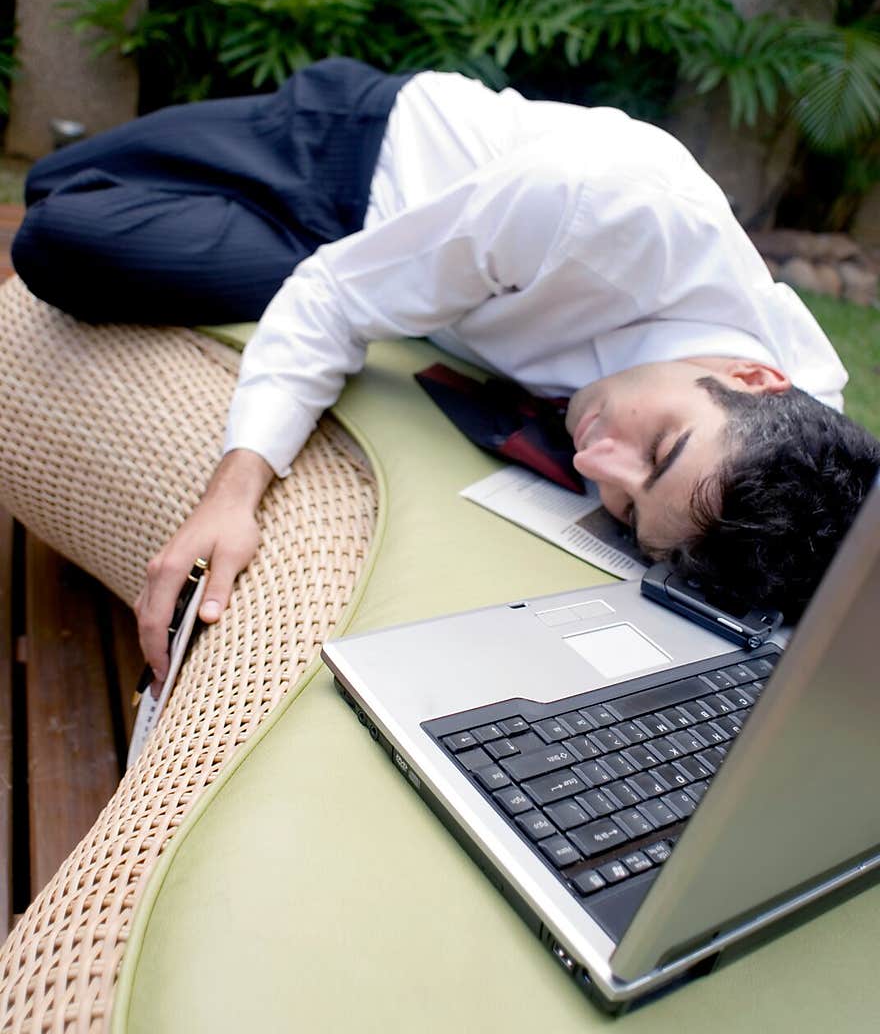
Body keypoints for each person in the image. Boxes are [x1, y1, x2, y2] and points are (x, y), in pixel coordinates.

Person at [12, 58, 880, 684]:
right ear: (754, 375)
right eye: (656, 450)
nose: (591, 463)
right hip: (346, 154)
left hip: (389, 260)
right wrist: (234, 491)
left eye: (622, 506)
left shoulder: (794, 463)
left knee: (62, 238)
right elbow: (336, 300)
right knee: (53, 199)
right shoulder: (602, 203)